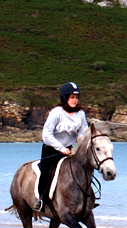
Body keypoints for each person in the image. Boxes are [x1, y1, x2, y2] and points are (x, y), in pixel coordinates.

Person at [35, 82, 88, 211]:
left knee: (83, 170)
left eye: (76, 97)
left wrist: (79, 148)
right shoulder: (56, 113)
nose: (74, 100)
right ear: (65, 98)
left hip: (70, 149)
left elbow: (83, 133)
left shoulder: (80, 114)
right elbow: (46, 134)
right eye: (72, 97)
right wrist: (60, 148)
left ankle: (85, 199)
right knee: (46, 171)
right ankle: (41, 200)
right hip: (51, 149)